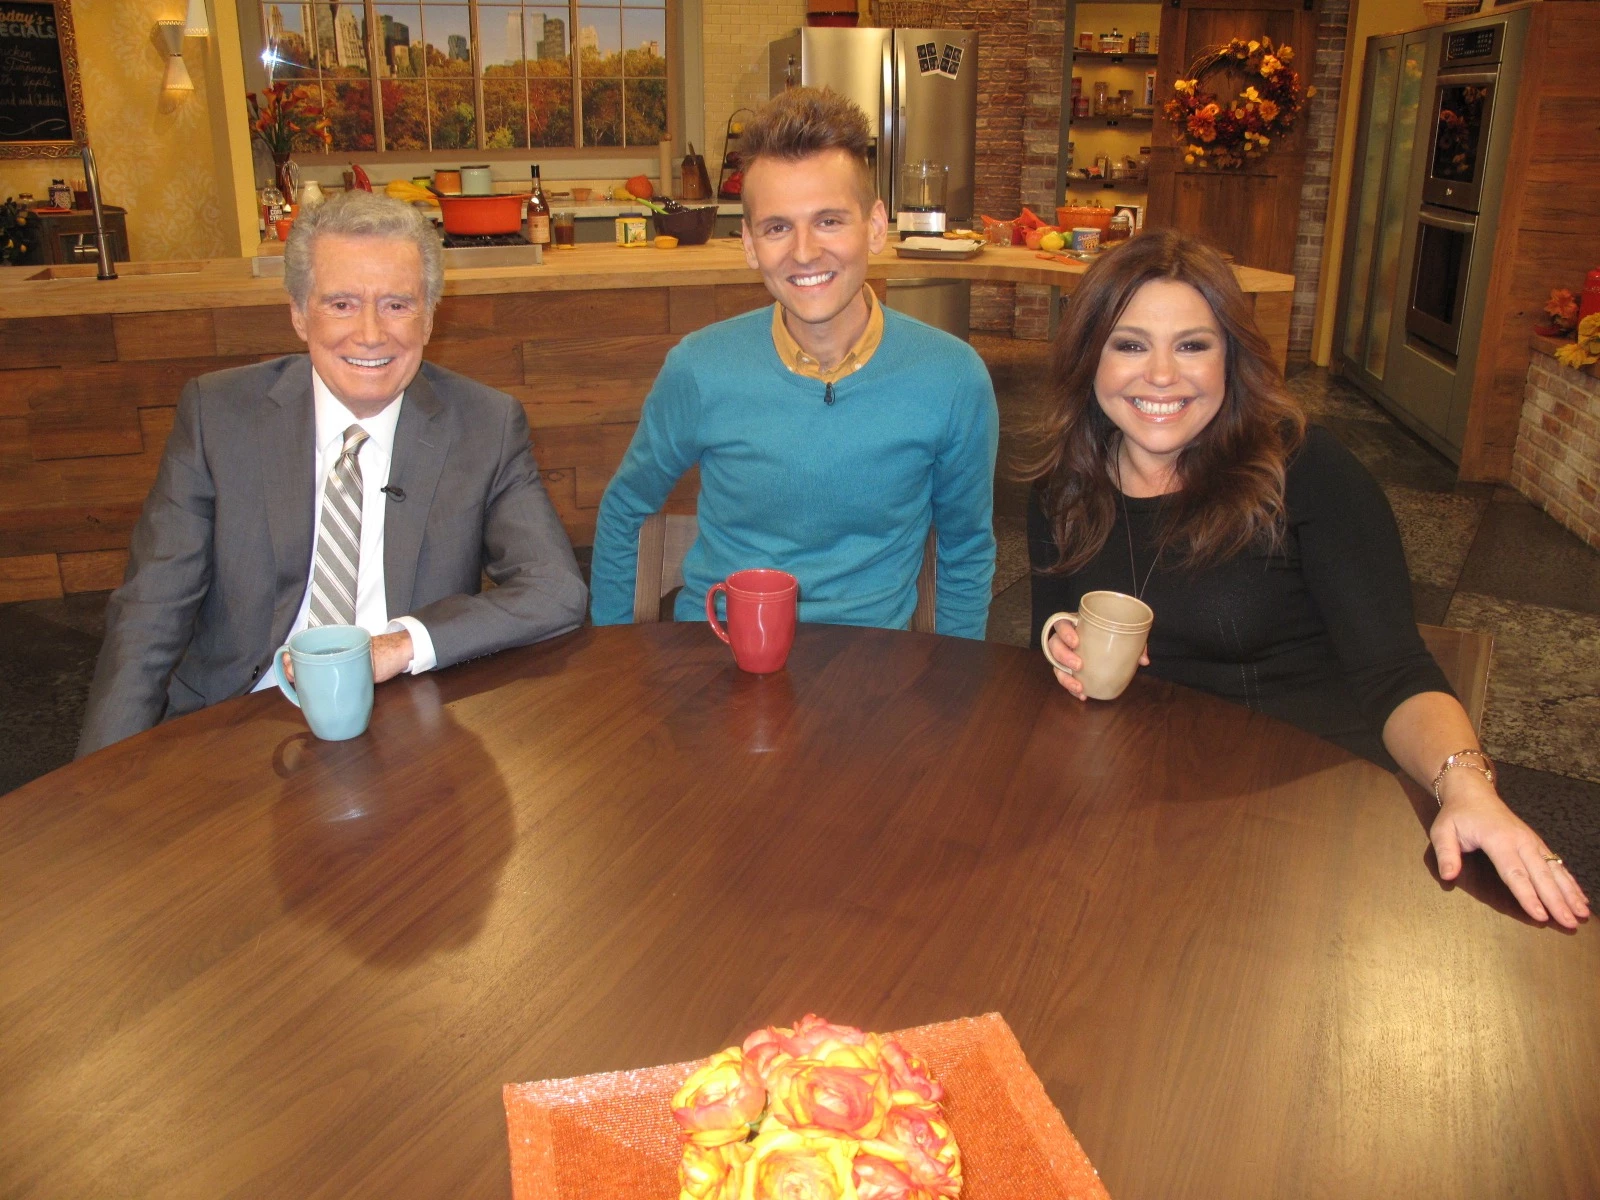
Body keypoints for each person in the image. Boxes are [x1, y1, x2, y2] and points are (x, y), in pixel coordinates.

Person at [1023, 229, 1589, 929]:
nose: (1162, 375)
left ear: (1231, 358)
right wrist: (1060, 641)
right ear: (1090, 359)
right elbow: (1046, 621)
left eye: (1193, 345)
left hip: (1307, 812)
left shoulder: (1307, 474)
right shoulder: (1065, 487)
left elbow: (1397, 672)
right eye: (1130, 344)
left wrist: (1468, 790)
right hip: (1140, 802)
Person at [77, 190, 587, 757]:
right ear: (298, 313)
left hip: (407, 723)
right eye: (341, 304)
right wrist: (97, 785)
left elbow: (555, 591)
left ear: (430, 315)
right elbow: (149, 616)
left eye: (397, 304)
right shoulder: (219, 416)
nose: (371, 334)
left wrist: (403, 645)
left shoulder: (485, 425)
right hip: (235, 723)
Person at [588, 87, 998, 637]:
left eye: (829, 220)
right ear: (751, 245)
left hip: (869, 676)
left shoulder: (952, 379)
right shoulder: (700, 369)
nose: (803, 252)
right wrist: (615, 657)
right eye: (777, 227)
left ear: (875, 227)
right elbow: (625, 510)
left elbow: (966, 548)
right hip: (716, 663)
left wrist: (954, 688)